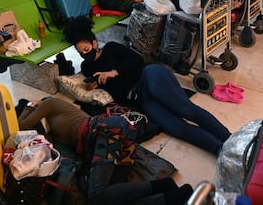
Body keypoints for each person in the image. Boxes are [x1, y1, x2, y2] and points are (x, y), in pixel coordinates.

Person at [64, 16, 232, 156]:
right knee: (176, 128)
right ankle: (221, 150)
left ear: (94, 43)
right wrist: (96, 86)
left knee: (187, 110)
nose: (84, 55)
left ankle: (231, 140)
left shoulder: (111, 48)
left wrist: (114, 72)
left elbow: (137, 60)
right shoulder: (87, 68)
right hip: (142, 98)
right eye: (80, 53)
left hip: (150, 76)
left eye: (86, 49)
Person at [18, 97, 193, 205]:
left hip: (108, 134)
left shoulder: (51, 103)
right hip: (104, 141)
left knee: (96, 195)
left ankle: (161, 186)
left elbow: (22, 126)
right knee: (110, 199)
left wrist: (29, 105)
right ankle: (168, 198)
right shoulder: (49, 135)